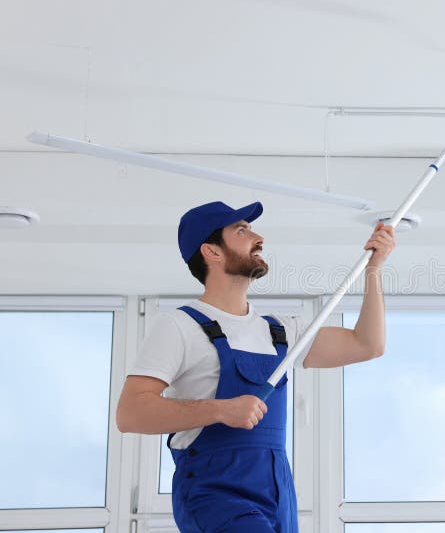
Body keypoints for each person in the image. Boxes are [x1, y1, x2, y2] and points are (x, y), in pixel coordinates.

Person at [116, 200, 395, 532]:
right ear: (212, 251)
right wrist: (221, 410)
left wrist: (375, 269)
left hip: (278, 494)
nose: (258, 237)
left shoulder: (279, 331)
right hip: (216, 493)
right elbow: (130, 412)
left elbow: (368, 344)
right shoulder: (179, 325)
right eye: (242, 230)